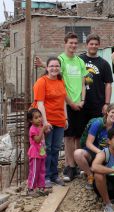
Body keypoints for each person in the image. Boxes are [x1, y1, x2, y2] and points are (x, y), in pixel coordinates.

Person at [33, 57, 68, 187]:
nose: (54, 68)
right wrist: (45, 122)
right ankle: (45, 176)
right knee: (46, 149)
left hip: (59, 120)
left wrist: (65, 118)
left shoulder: (60, 81)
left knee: (56, 149)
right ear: (46, 67)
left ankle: (54, 175)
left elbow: (63, 101)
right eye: (52, 66)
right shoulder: (41, 82)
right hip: (47, 121)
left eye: (57, 66)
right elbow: (40, 104)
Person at [74, 103, 114, 190]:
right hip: (94, 151)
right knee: (77, 153)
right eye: (112, 112)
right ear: (107, 112)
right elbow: (89, 143)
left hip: (109, 154)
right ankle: (90, 175)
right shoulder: (97, 124)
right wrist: (100, 152)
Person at [80, 34, 113, 126]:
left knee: (96, 130)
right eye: (91, 44)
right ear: (87, 45)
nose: (93, 46)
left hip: (98, 104)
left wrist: (107, 104)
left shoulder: (104, 64)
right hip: (80, 103)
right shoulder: (79, 60)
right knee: (80, 133)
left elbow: (108, 84)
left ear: (99, 45)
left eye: (96, 44)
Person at [26, 108, 50, 196]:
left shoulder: (40, 126)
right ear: (31, 120)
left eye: (40, 116)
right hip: (35, 153)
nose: (39, 119)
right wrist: (43, 130)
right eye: (36, 118)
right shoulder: (32, 129)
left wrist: (46, 129)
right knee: (35, 171)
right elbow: (37, 140)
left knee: (42, 171)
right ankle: (30, 189)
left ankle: (41, 187)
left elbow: (43, 137)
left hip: (41, 152)